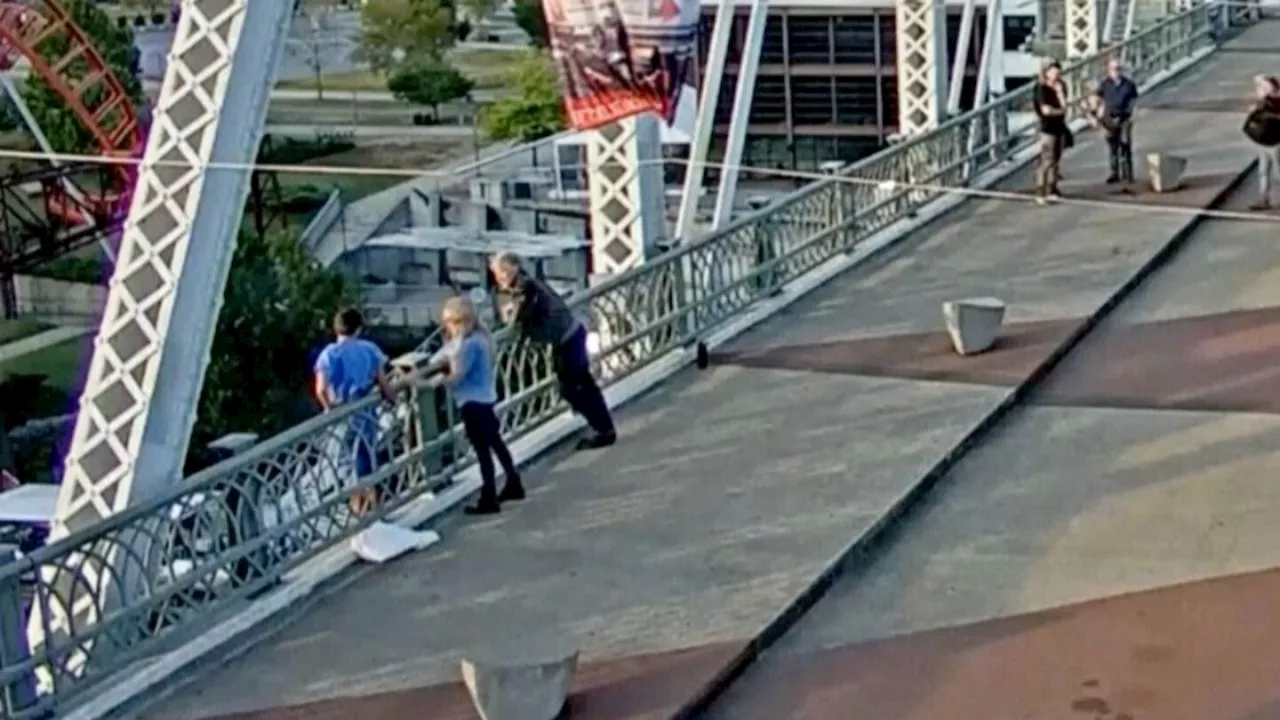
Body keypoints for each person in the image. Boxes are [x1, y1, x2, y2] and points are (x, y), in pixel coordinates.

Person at [489, 252, 617, 450]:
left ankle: (602, 429)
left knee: (573, 389)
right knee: (584, 384)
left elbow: (520, 316)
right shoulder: (530, 282)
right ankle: (604, 428)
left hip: (566, 339)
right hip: (572, 333)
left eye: (502, 272)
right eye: (498, 273)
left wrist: (511, 315)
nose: (500, 278)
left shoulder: (525, 287)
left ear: (513, 268)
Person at [432, 296, 524, 516]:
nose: (446, 328)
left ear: (457, 322)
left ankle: (489, 497)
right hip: (486, 399)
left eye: (448, 323)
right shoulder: (482, 338)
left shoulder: (469, 345)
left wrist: (424, 382)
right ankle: (513, 481)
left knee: (483, 451)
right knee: (496, 444)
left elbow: (457, 377)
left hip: (472, 403)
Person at [313, 308, 395, 515]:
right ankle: (373, 508)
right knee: (367, 458)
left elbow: (321, 388)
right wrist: (391, 398)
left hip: (342, 413)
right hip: (366, 411)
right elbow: (383, 382)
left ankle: (356, 511)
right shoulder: (369, 349)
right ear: (359, 329)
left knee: (345, 463)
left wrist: (329, 408)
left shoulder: (329, 354)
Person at [1093, 56, 1139, 184]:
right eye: (1113, 69)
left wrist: (1130, 114)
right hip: (1109, 118)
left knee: (1125, 144)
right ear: (1108, 70)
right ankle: (1114, 173)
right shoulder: (1105, 84)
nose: (1116, 71)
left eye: (1118, 69)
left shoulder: (1128, 84)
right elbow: (1097, 97)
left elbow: (1133, 101)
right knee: (1113, 146)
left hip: (1124, 118)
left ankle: (1128, 173)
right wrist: (1098, 111)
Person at [1033, 61, 1070, 204]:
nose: (1056, 75)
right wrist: (1059, 111)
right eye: (1054, 72)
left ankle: (1052, 189)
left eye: (1058, 73)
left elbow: (1065, 105)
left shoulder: (1062, 86)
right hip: (1047, 128)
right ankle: (1040, 191)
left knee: (1056, 160)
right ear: (1046, 73)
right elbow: (1045, 110)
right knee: (1046, 160)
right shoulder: (1041, 88)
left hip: (1060, 127)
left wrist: (1060, 93)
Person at [1244, 75, 1280, 210]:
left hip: (1276, 142)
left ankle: (1263, 199)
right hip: (1264, 141)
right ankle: (1263, 199)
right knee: (1263, 170)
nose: (1260, 90)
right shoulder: (1264, 102)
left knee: (1278, 172)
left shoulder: (1276, 101)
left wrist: (1269, 115)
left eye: (1264, 87)